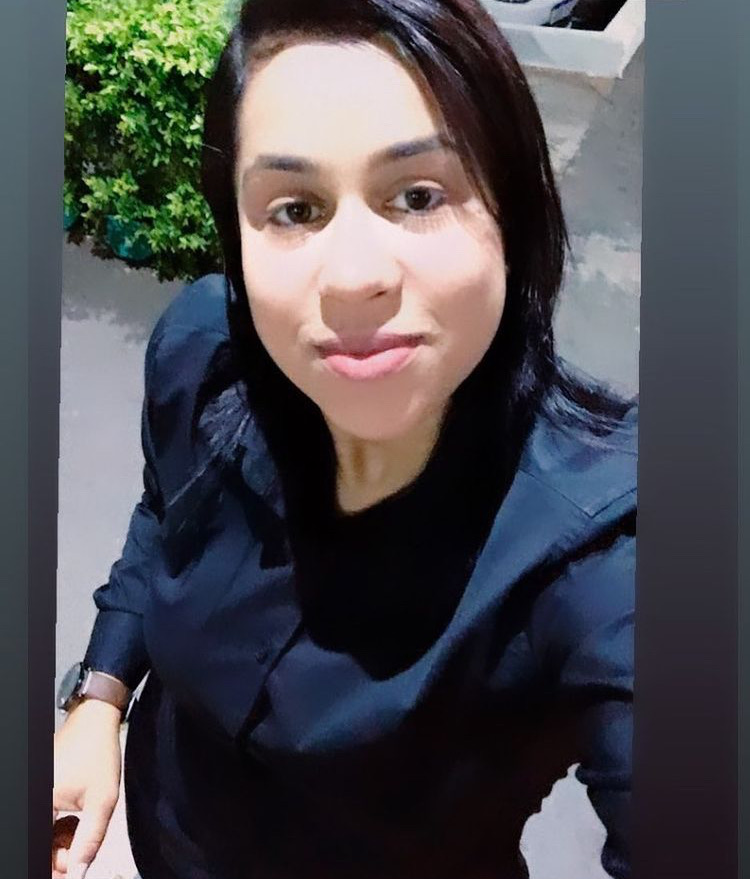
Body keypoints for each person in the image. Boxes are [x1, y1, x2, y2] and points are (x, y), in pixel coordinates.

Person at [52, 1, 637, 877]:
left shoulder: (601, 553)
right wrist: (98, 698)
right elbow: (165, 515)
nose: (355, 277)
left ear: (512, 213)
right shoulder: (205, 355)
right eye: (295, 209)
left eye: (418, 196)